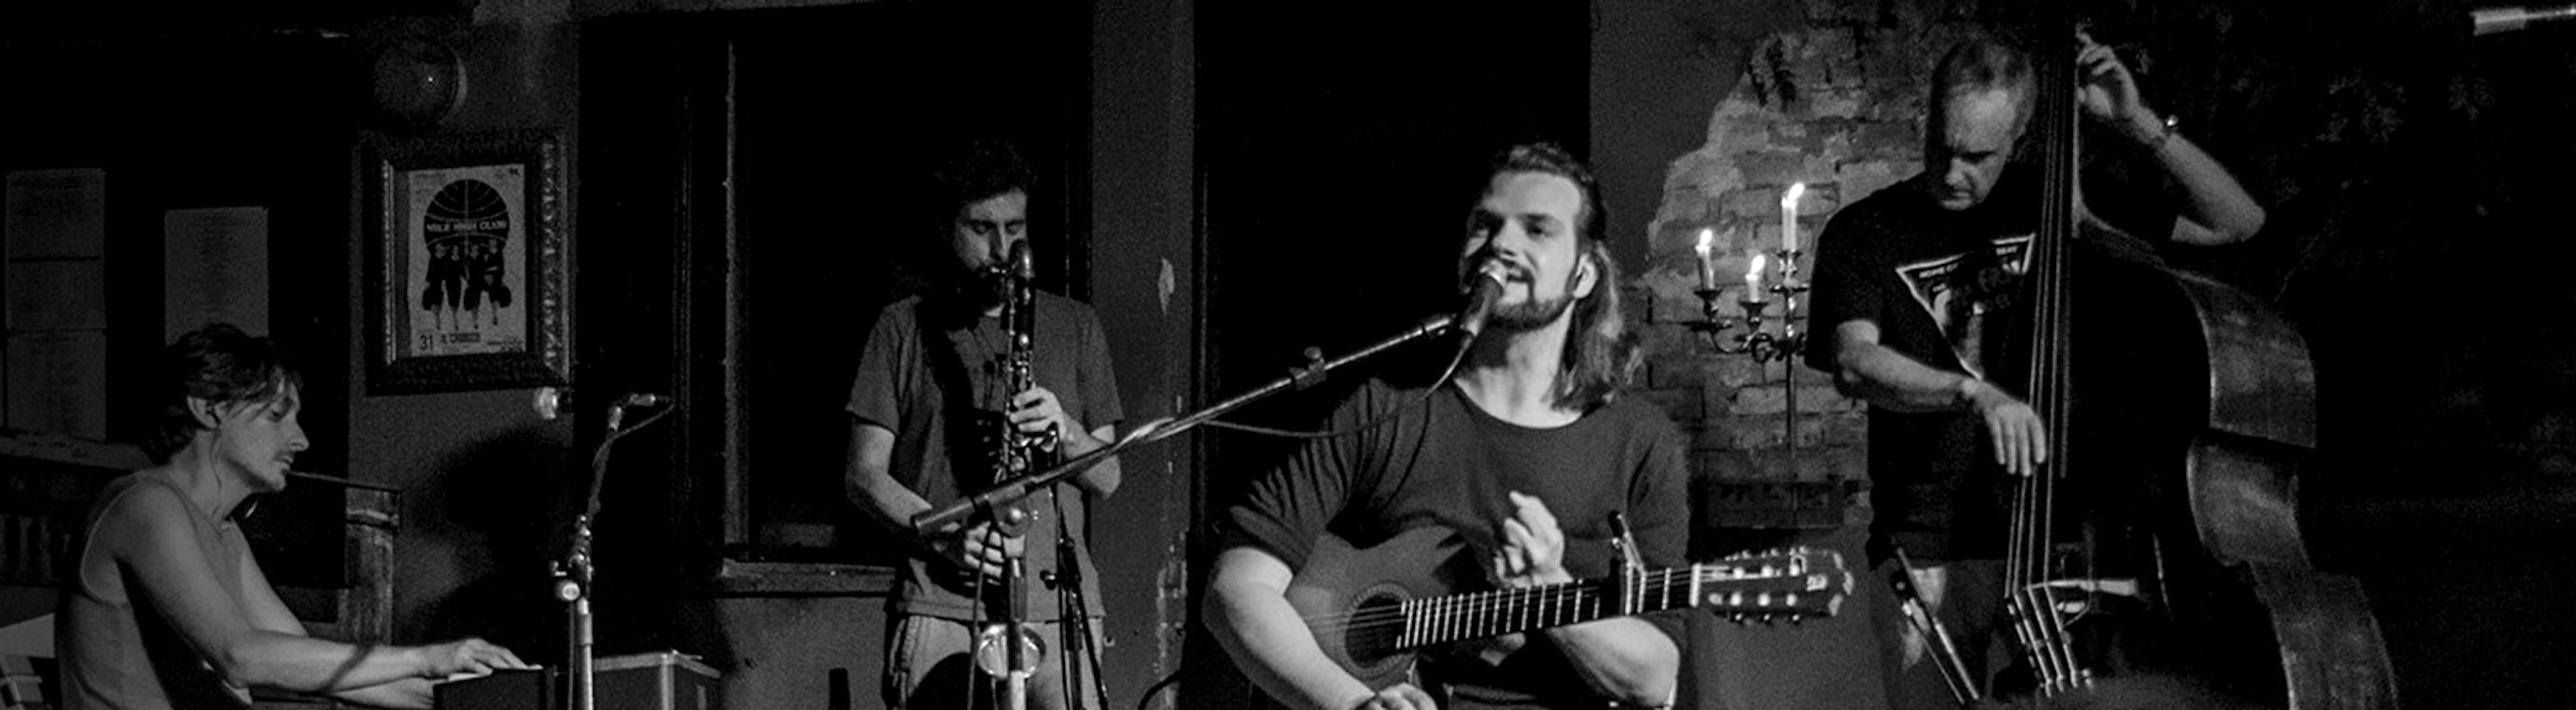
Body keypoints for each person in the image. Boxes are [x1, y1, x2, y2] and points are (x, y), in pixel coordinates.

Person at [1802, 31, 2266, 710]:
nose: (1951, 172)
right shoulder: (1864, 231)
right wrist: (1973, 393)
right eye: (1941, 145)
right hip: (1931, 545)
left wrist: (2137, 123)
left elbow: (2238, 223)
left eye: (1977, 156)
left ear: (2019, 137)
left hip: (2073, 540)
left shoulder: (2061, 206)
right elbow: (1854, 361)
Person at [1202, 142, 1688, 710]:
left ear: (1583, 275)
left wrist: (1548, 586)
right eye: (1486, 225)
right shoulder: (1382, 409)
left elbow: (1654, 677)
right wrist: (1352, 704)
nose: (1501, 244)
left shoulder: (1640, 441)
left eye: (1536, 229)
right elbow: (1237, 587)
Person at [59, 324, 536, 710]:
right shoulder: (146, 504)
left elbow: (322, 670)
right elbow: (240, 656)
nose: (300, 440)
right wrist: (428, 658)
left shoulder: (223, 531)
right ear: (209, 409)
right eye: (276, 416)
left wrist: (487, 698)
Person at [844, 137, 1127, 710]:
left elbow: (1108, 477)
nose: (1002, 249)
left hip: (1056, 608)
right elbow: (864, 475)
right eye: (981, 229)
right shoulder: (902, 326)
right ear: (948, 228)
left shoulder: (1076, 325)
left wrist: (1066, 430)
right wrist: (946, 536)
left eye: (1015, 228)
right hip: (940, 603)